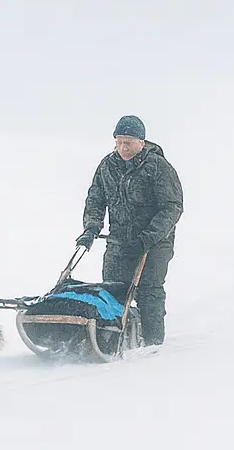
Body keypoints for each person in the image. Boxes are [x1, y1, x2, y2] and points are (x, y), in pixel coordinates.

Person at [76, 115, 183, 346]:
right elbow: (95, 198)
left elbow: (172, 207)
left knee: (148, 289)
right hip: (119, 241)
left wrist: (149, 237)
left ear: (141, 142)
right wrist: (91, 228)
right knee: (112, 289)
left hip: (155, 242)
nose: (123, 148)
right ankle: (113, 339)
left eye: (128, 143)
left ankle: (154, 344)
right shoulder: (107, 166)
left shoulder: (158, 167)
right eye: (119, 142)